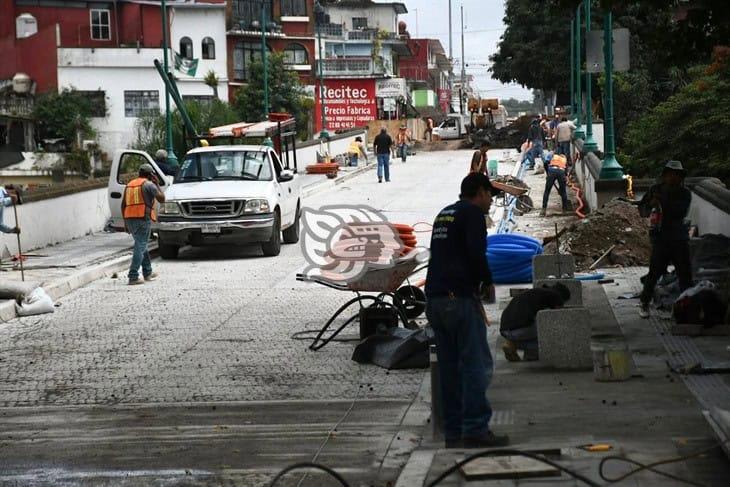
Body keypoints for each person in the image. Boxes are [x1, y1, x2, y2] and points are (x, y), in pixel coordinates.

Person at [425, 173, 509, 449]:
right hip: (458, 300)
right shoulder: (472, 214)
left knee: (449, 370)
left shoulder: (444, 214)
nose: (489, 203)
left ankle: (453, 433)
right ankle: (475, 430)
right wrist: (486, 282)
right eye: (489, 196)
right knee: (476, 365)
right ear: (480, 192)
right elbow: (476, 253)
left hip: (436, 300)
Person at [638, 160, 693, 318]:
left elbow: (679, 212)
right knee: (654, 272)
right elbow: (643, 208)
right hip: (661, 238)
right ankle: (644, 303)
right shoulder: (655, 189)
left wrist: (662, 201)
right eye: (670, 174)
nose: (673, 178)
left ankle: (687, 305)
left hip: (679, 238)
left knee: (684, 274)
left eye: (676, 175)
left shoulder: (685, 194)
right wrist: (650, 205)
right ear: (665, 175)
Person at [500, 283, 571, 361]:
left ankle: (516, 347)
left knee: (537, 326)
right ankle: (519, 347)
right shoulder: (555, 295)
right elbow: (559, 316)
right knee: (551, 334)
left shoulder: (535, 293)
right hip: (519, 330)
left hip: (505, 330)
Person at [122, 163, 165, 285]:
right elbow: (162, 199)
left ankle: (147, 272)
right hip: (142, 218)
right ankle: (133, 275)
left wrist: (125, 222)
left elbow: (123, 205)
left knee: (142, 245)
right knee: (140, 246)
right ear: (151, 174)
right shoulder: (149, 185)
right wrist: (157, 183)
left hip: (130, 218)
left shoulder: (129, 185)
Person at [540, 152, 571, 216]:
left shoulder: (554, 157)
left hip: (552, 170)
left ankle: (543, 210)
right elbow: (565, 175)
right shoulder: (564, 160)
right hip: (561, 171)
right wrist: (561, 189)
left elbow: (545, 163)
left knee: (547, 191)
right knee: (563, 191)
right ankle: (564, 209)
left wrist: (548, 173)